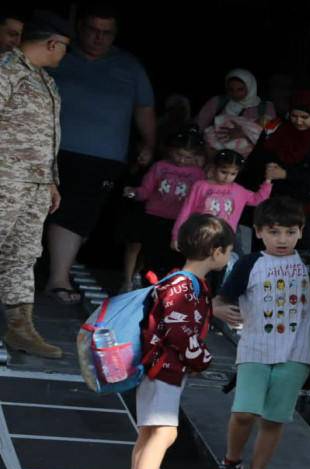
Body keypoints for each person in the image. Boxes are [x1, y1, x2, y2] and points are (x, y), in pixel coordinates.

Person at [208, 197, 310, 469]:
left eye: (290, 232)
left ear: (301, 231)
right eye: (274, 232)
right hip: (254, 349)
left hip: (297, 353)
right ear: (258, 232)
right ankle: (231, 462)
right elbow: (220, 300)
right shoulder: (249, 264)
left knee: (273, 418)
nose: (282, 239)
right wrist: (219, 310)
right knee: (244, 412)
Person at [117, 214, 235, 469]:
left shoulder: (177, 280)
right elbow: (178, 329)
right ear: (216, 251)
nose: (228, 256)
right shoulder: (186, 286)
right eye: (228, 250)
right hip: (165, 368)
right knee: (164, 432)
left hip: (157, 366)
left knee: (150, 432)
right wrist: (201, 359)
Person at [45, 3, 156, 305]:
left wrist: (149, 143)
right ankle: (40, 275)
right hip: (48, 148)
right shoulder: (57, 54)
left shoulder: (130, 67)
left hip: (102, 156)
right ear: (79, 27)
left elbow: (144, 108)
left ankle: (58, 277)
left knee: (77, 215)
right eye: (93, 30)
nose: (98, 38)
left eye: (106, 33)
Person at [0, 12, 71, 359]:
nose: (65, 55)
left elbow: (49, 136)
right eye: (65, 47)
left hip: (35, 185)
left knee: (23, 255)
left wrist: (51, 180)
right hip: (6, 179)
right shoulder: (7, 70)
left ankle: (20, 328)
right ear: (52, 43)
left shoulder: (45, 80)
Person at [240, 90, 310, 253]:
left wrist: (286, 174)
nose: (298, 121)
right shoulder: (275, 129)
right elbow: (256, 160)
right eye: (294, 116)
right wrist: (267, 169)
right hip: (273, 202)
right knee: (269, 249)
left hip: (308, 206)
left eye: (305, 117)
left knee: (306, 252)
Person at [122, 130, 206, 286]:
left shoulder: (198, 174)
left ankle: (151, 284)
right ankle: (132, 282)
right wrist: (135, 193)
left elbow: (198, 200)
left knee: (163, 257)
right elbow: (146, 190)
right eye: (179, 154)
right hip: (153, 216)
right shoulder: (160, 167)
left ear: (196, 156)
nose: (182, 160)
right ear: (171, 150)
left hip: (178, 221)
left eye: (188, 157)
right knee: (145, 250)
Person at [171, 150, 273, 244]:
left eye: (233, 174)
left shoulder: (239, 191)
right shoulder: (200, 186)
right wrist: (176, 235)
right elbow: (186, 211)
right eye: (223, 172)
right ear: (214, 168)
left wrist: (268, 181)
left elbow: (259, 200)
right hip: (199, 237)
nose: (227, 177)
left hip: (224, 241)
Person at [196, 69, 277, 158]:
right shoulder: (218, 102)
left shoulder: (265, 107)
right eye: (231, 90)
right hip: (215, 156)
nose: (235, 94)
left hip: (249, 159)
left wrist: (244, 134)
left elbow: (271, 140)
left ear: (250, 87)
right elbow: (199, 128)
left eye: (240, 89)